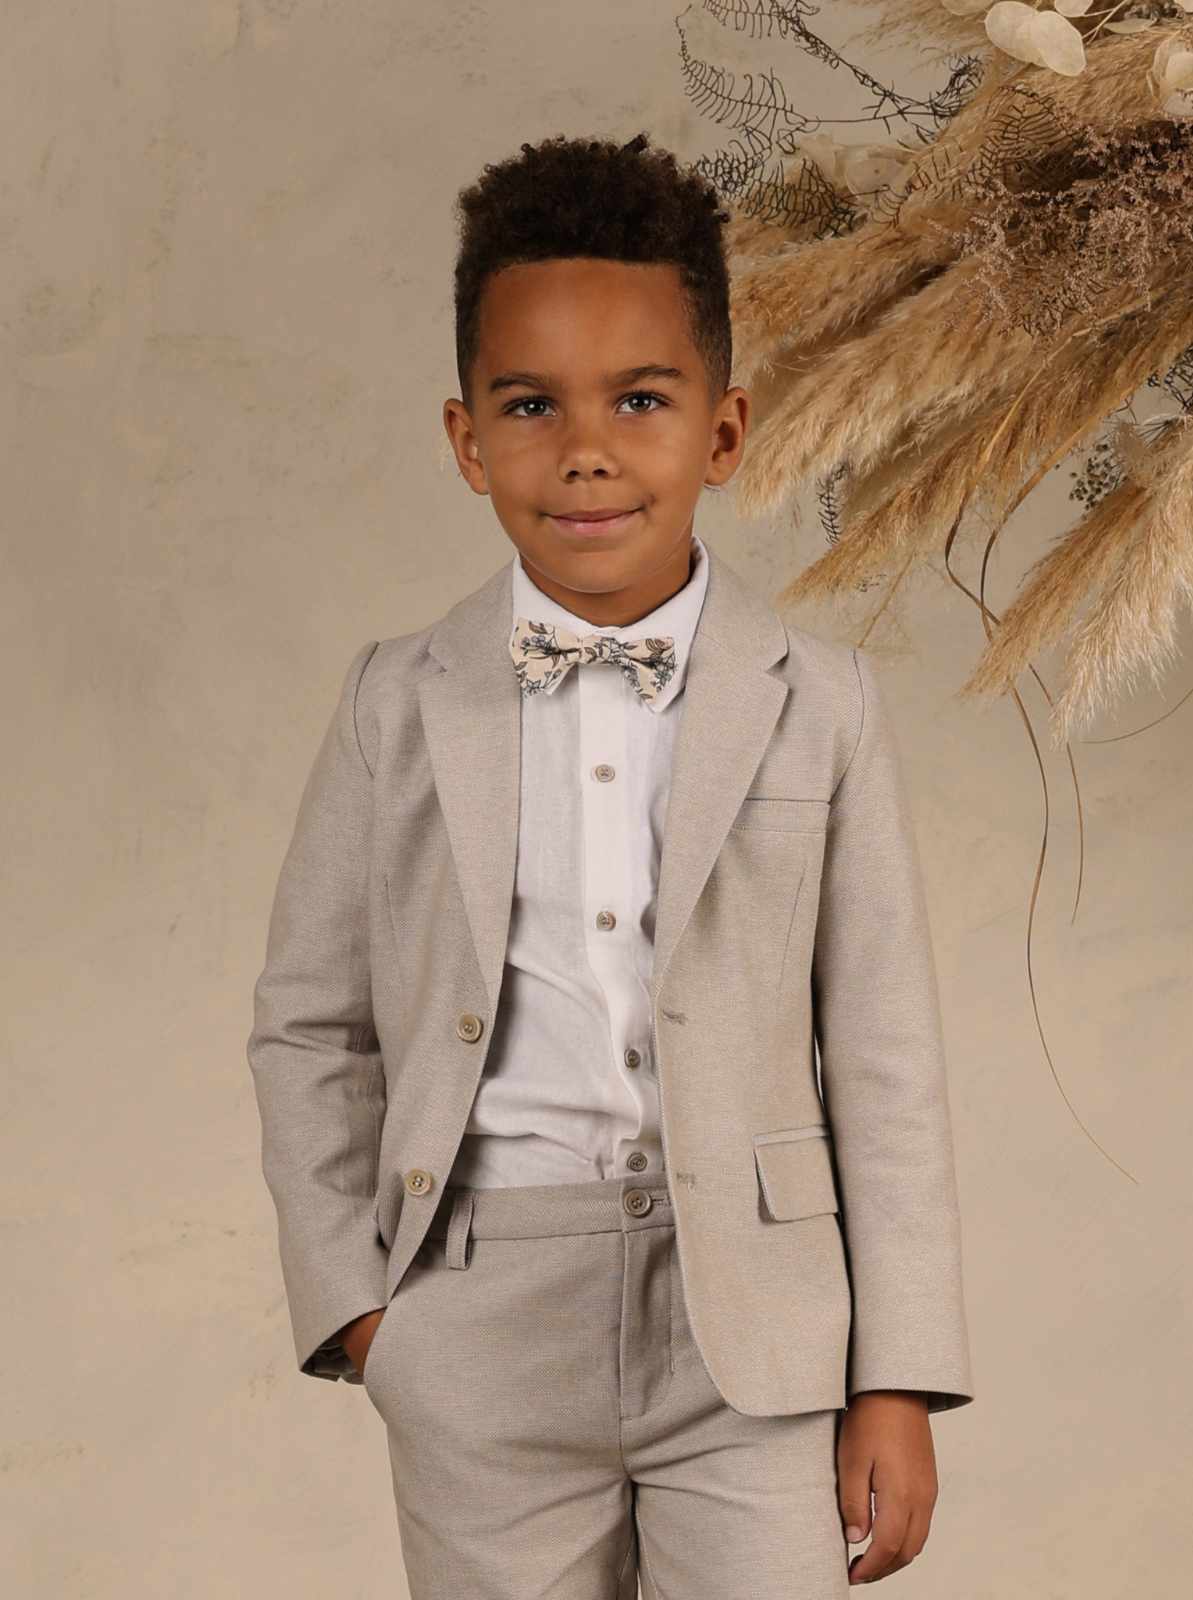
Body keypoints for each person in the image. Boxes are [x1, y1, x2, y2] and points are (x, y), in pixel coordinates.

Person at [248, 133, 972, 1599]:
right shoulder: (395, 701)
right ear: (467, 441)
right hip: (479, 1316)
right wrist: (365, 1314)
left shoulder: (821, 702)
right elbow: (310, 1025)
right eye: (532, 406)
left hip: (757, 1329)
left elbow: (882, 1050)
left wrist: (896, 1374)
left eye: (640, 400)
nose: (586, 450)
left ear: (724, 430)